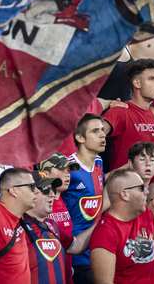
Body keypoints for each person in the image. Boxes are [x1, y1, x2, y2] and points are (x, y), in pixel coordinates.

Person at [89, 169, 154, 284]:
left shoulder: (145, 213)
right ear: (125, 194)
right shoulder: (104, 233)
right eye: (141, 188)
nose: (147, 192)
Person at [62, 114, 105, 283]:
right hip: (75, 253)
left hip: (96, 248)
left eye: (102, 130)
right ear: (80, 138)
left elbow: (100, 202)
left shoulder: (99, 162)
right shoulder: (68, 167)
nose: (102, 135)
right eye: (95, 131)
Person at [102, 59, 154, 170]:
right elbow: (91, 135)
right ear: (137, 83)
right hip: (123, 180)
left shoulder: (151, 114)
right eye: (151, 79)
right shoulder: (120, 111)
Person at [20, 172, 76, 284]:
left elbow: (76, 245)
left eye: (53, 189)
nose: (52, 194)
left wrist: (100, 223)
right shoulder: (17, 226)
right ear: (29, 193)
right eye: (45, 189)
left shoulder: (52, 224)